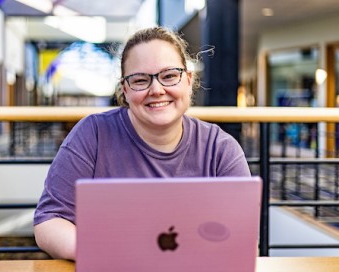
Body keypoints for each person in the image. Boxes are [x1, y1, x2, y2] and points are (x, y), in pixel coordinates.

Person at [33, 26, 251, 260]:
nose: (156, 90)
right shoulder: (92, 134)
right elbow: (49, 221)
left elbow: (243, 236)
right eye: (140, 80)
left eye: (169, 76)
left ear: (188, 81)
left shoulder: (220, 148)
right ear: (125, 90)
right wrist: (109, 255)